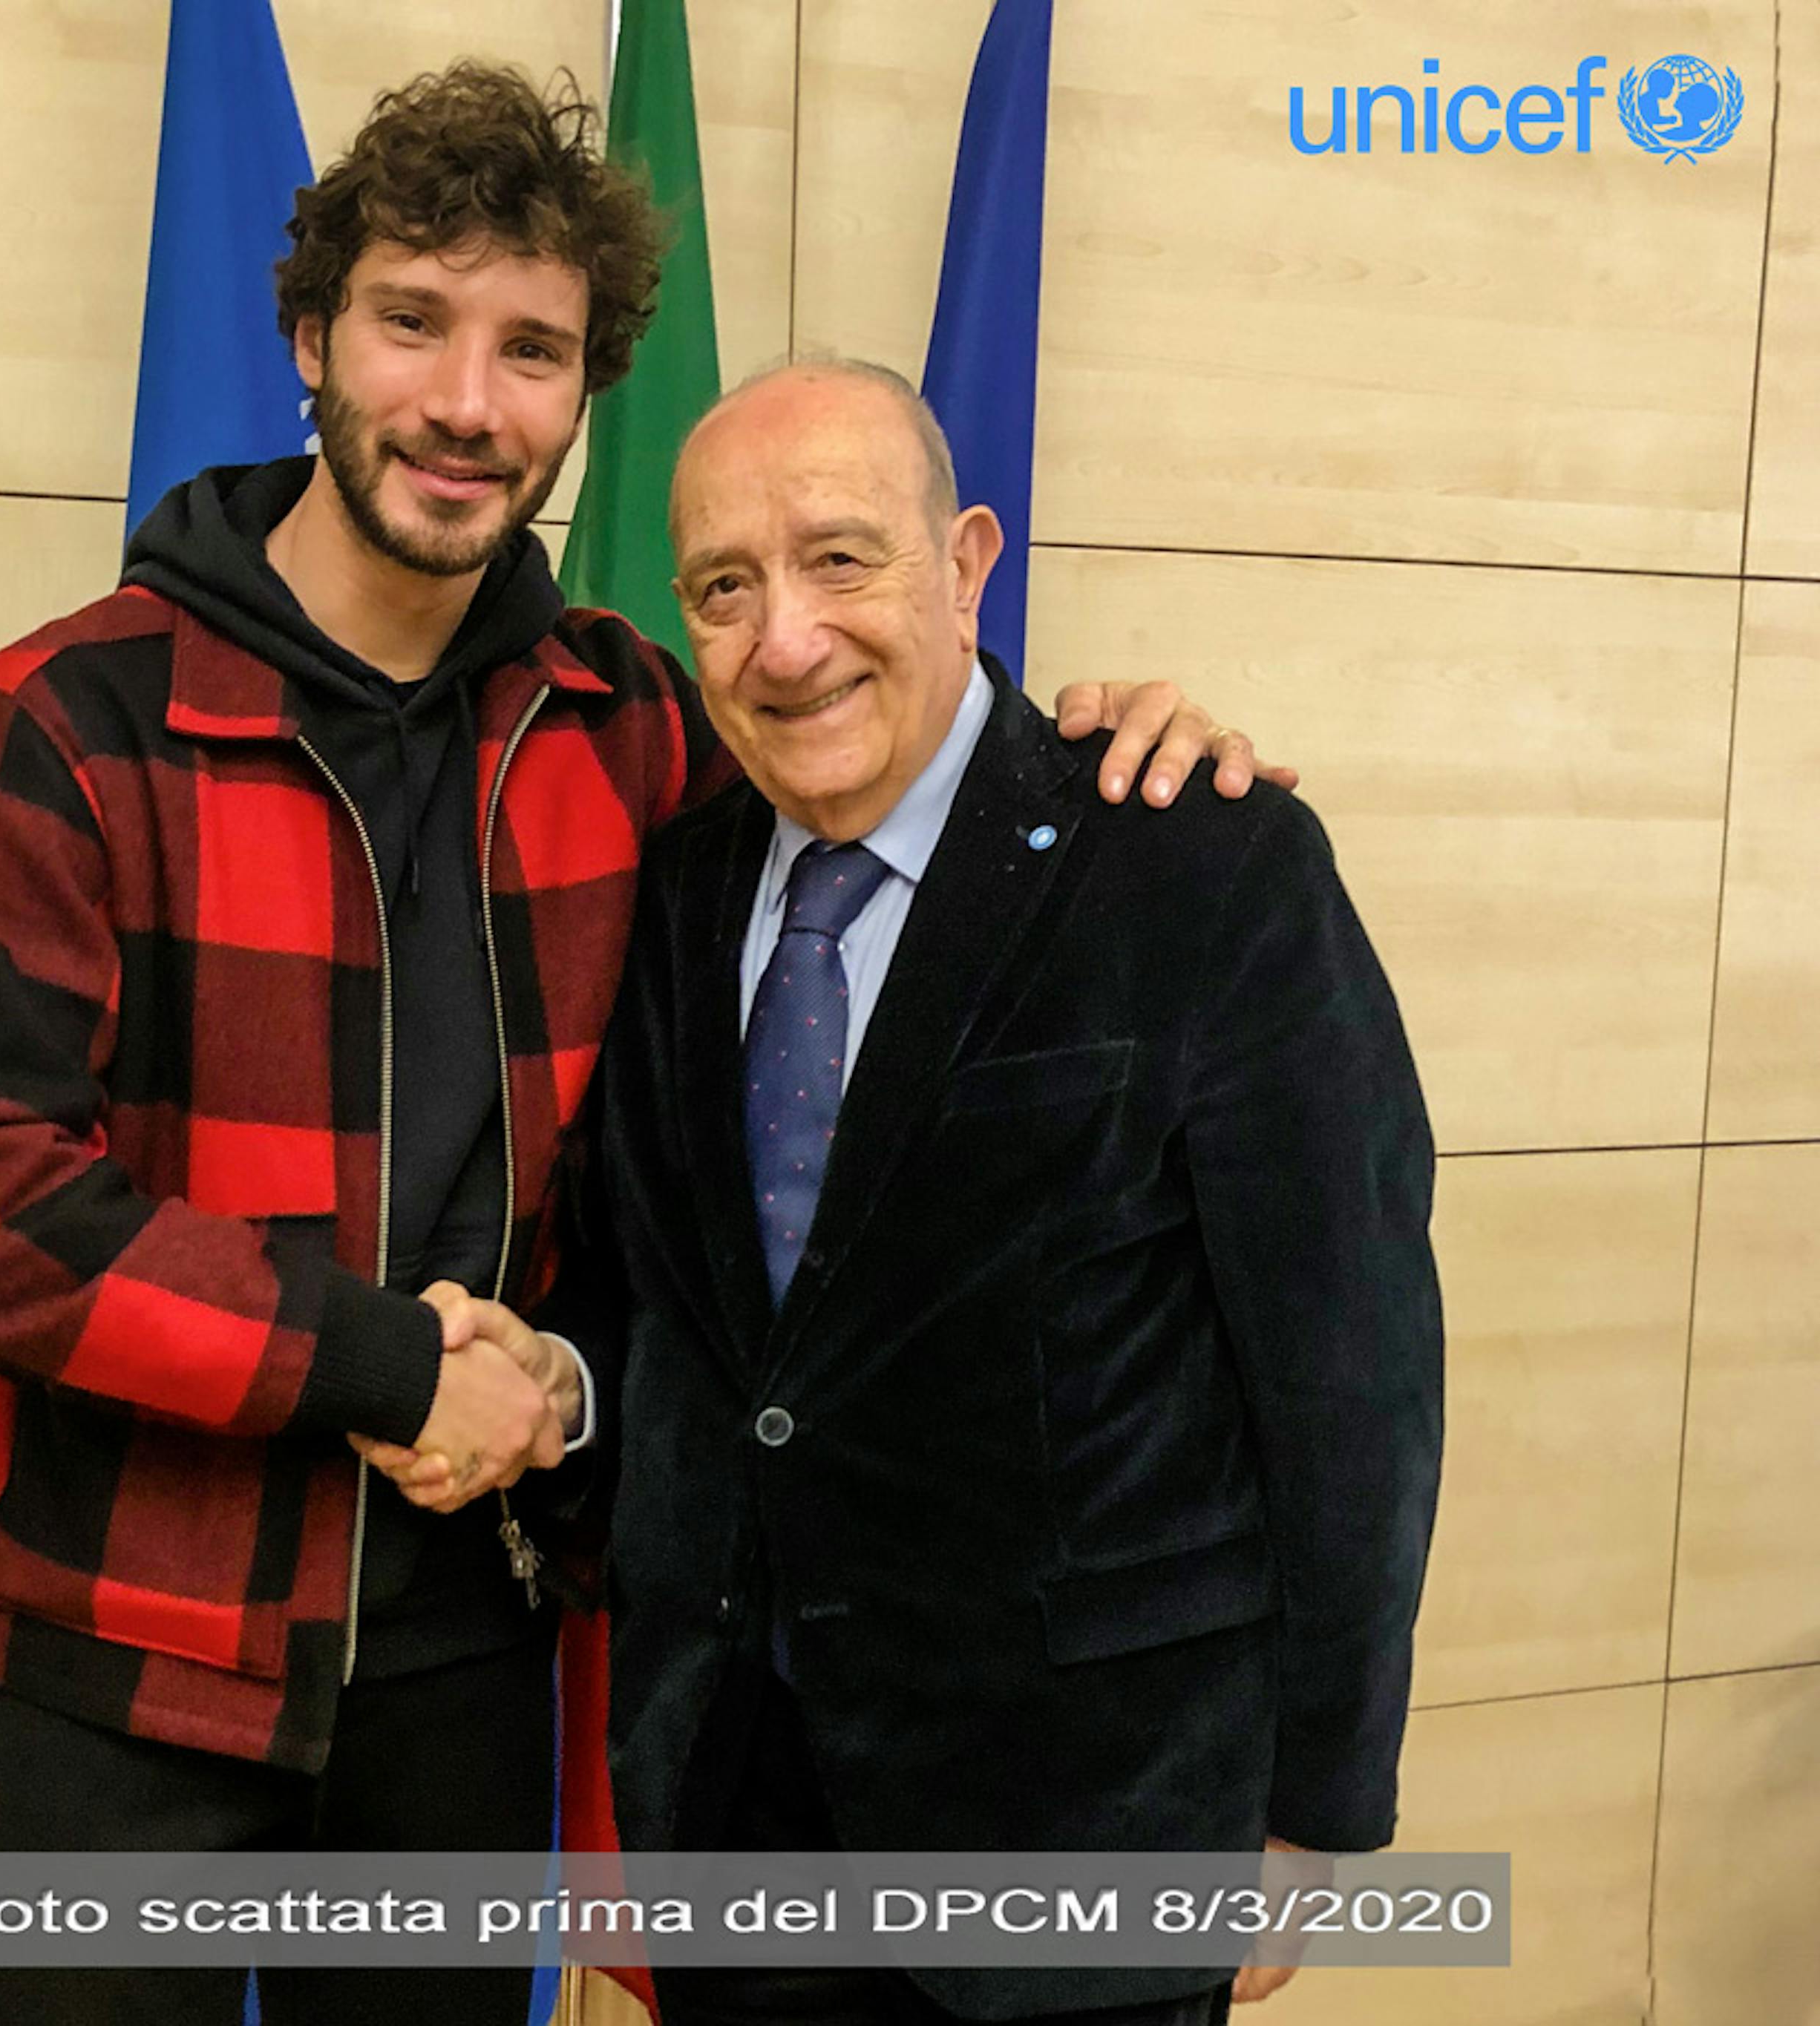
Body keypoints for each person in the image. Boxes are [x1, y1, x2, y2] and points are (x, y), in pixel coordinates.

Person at [0, 61, 1280, 2026]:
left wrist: (1106, 760)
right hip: (125, 1656)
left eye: (531, 347)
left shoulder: (628, 726)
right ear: (308, 339)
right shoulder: (57, 720)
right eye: (413, 322)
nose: (467, 399)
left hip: (477, 1650)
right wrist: (375, 1358)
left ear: (582, 394)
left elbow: (893, 789)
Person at [448, 359, 1444, 2026]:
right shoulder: (678, 892)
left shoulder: (1199, 864)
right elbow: (689, 1323)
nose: (786, 639)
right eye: (725, 587)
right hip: (733, 1821)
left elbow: (1350, 1378)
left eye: (844, 559)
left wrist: (1317, 1807)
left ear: (969, 558)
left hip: (1085, 1835)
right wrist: (557, 1398)